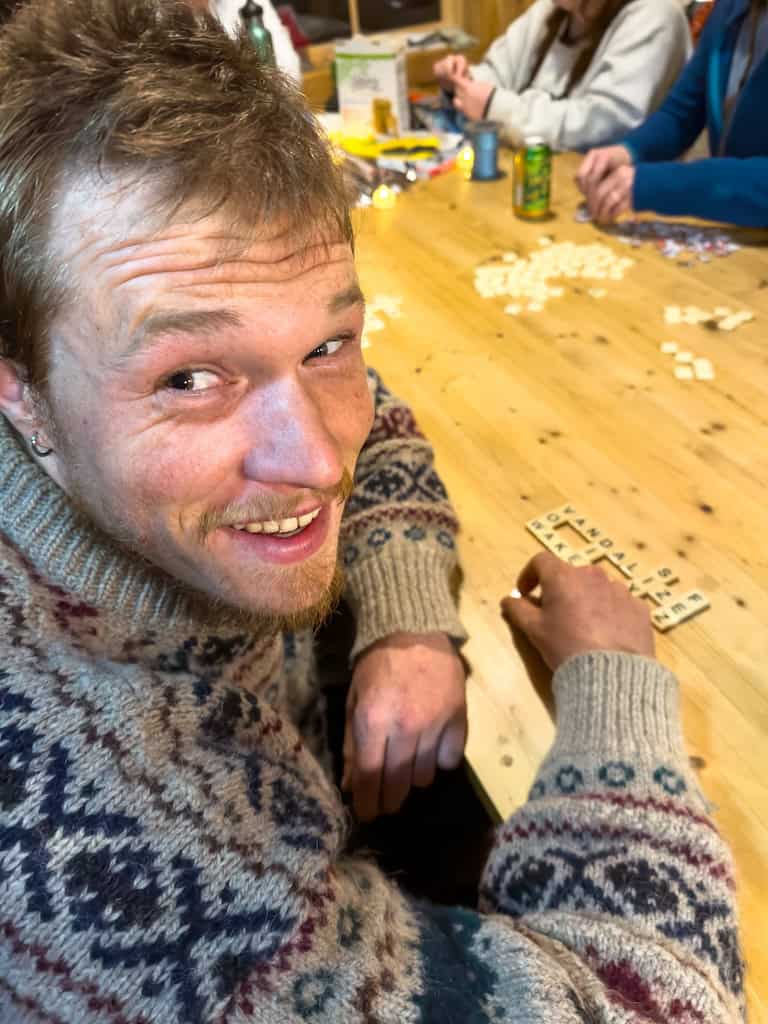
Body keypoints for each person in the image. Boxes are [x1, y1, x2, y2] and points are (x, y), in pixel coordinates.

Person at [0, 1, 745, 1021]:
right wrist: (614, 686)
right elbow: (653, 1008)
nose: (316, 458)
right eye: (191, 376)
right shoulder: (111, 860)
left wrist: (403, 614)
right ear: (19, 391)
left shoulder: (96, 407)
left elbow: (378, 413)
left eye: (325, 344)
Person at [577, 0, 768, 225]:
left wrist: (660, 184)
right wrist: (627, 151)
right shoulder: (729, 7)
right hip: (738, 230)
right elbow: (680, 114)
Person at [433, 0, 690, 151]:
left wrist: (495, 106)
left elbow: (603, 125)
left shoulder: (655, 15)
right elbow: (499, 75)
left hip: (615, 198)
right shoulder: (552, 9)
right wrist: (461, 81)